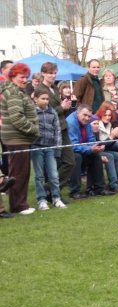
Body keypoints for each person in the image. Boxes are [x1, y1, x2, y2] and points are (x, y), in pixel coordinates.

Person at [0, 63, 40, 215]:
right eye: (21, 77)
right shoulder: (14, 93)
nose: (25, 80)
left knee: (21, 171)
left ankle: (19, 204)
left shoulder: (16, 91)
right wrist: (34, 129)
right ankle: (19, 206)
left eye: (26, 77)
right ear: (12, 77)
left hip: (19, 137)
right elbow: (17, 118)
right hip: (16, 138)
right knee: (19, 172)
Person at [37, 62, 75, 195]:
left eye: (54, 73)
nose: (53, 75)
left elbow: (57, 110)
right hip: (49, 131)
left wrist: (65, 107)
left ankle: (49, 188)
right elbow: (44, 111)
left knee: (70, 162)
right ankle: (52, 192)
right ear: (43, 73)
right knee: (52, 165)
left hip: (62, 128)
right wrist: (61, 108)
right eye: (49, 73)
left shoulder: (54, 87)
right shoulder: (40, 89)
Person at [66, 104, 115, 198]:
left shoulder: (87, 122)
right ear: (77, 113)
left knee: (96, 156)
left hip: (81, 148)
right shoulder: (71, 123)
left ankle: (99, 189)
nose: (87, 118)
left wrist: (96, 148)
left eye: (89, 116)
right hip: (67, 152)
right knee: (77, 157)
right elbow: (73, 146)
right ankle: (74, 191)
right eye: (84, 115)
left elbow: (91, 139)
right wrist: (90, 149)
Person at [31, 89, 66, 210]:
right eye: (43, 99)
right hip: (36, 147)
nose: (46, 101)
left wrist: (58, 148)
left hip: (50, 147)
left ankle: (56, 197)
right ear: (35, 99)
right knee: (39, 175)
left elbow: (57, 131)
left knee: (54, 174)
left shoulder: (52, 112)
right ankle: (41, 200)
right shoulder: (32, 112)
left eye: (47, 99)